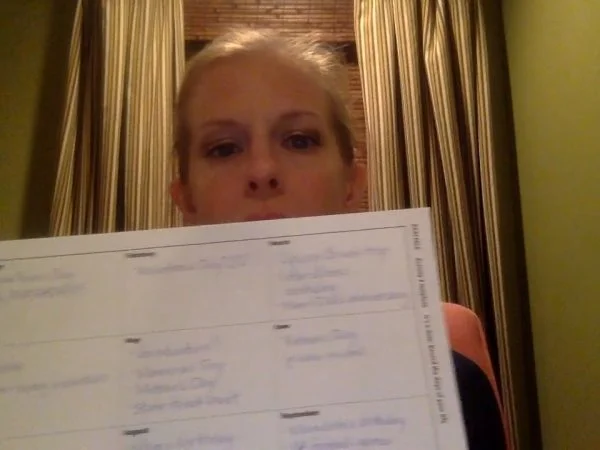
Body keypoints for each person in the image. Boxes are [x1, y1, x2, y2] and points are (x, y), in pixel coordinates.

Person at [170, 28, 506, 450]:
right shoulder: (106, 399)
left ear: (351, 184)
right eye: (223, 148)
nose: (262, 170)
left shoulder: (453, 393)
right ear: (186, 199)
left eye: (299, 140)